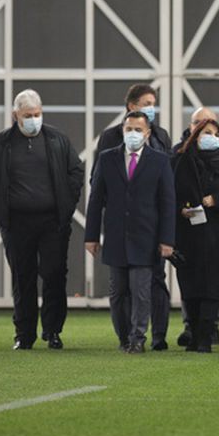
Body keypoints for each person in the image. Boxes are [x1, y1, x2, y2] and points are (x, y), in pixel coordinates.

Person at [0, 89, 85, 350]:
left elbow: (76, 172)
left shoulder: (58, 140)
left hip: (53, 223)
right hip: (16, 224)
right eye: (28, 115)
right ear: (15, 115)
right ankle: (24, 334)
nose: (33, 119)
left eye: (37, 114)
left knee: (54, 275)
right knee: (22, 278)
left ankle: (53, 331)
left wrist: (67, 205)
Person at [85, 111, 176, 353]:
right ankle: (123, 336)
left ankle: (138, 338)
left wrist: (167, 239)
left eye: (138, 130)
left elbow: (168, 202)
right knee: (117, 293)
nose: (132, 134)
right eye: (128, 129)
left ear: (147, 133)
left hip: (147, 237)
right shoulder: (107, 159)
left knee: (141, 291)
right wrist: (91, 236)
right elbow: (96, 200)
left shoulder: (160, 161)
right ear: (122, 131)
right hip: (116, 236)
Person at [171, 118, 219, 353]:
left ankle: (205, 337)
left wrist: (217, 200)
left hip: (215, 234)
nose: (211, 137)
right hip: (187, 232)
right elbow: (168, 194)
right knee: (189, 285)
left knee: (211, 285)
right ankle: (192, 333)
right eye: (206, 132)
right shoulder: (180, 161)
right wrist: (180, 210)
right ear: (195, 135)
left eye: (216, 133)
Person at [92, 82, 173, 161]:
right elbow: (98, 171)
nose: (151, 109)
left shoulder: (161, 135)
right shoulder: (110, 136)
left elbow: (169, 168)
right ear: (131, 106)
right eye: (147, 104)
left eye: (153, 105)